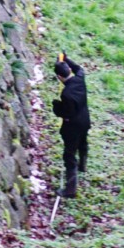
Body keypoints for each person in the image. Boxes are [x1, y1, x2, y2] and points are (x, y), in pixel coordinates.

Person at [51, 52, 90, 198]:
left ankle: (70, 189)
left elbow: (66, 113)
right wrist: (65, 59)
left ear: (59, 77)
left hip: (72, 127)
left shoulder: (66, 94)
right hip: (85, 121)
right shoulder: (80, 78)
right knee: (83, 143)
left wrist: (56, 105)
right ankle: (83, 165)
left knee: (69, 155)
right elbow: (79, 68)